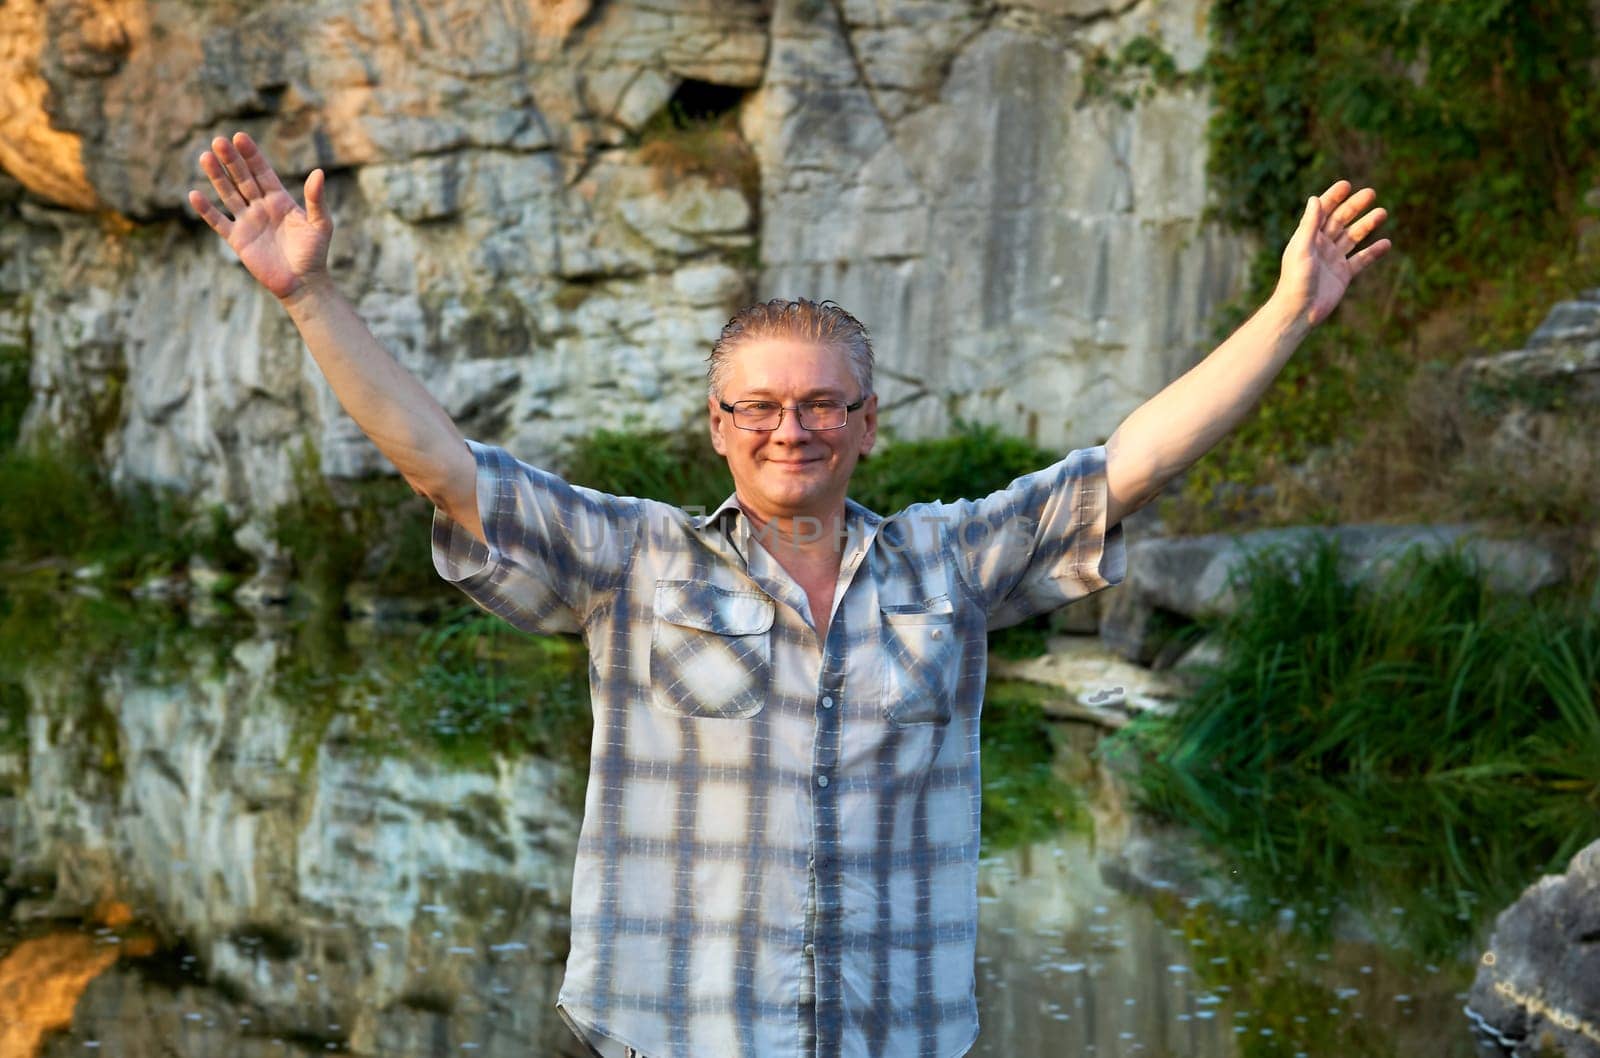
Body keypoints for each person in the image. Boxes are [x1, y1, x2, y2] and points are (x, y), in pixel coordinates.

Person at [189, 131, 1389, 1058]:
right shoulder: (634, 561)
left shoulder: (950, 562)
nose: (790, 428)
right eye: (757, 405)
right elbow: (442, 467)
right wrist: (307, 298)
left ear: (867, 423)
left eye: (821, 403)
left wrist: (1287, 312)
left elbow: (1133, 460)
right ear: (715, 427)